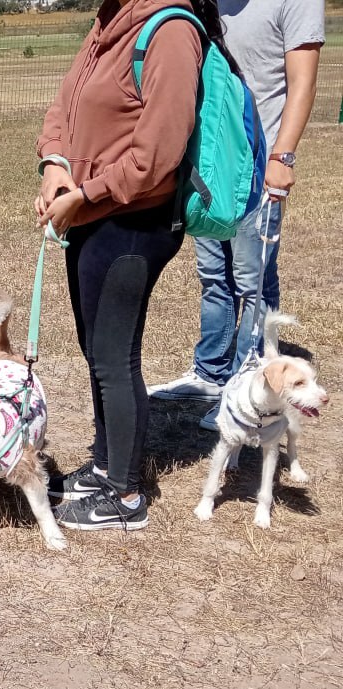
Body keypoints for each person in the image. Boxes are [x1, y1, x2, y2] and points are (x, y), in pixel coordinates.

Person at [34, 0, 229, 531]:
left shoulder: (169, 30)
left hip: (134, 224)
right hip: (92, 216)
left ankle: (123, 495)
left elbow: (157, 158)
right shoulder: (109, 19)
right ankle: (104, 465)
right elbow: (65, 107)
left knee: (115, 358)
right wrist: (55, 165)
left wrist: (85, 194)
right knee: (96, 351)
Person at [147, 0, 325, 431]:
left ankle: (245, 385)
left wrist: (283, 156)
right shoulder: (204, 1)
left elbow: (302, 82)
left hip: (260, 167)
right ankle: (210, 373)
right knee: (213, 277)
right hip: (214, 169)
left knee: (254, 280)